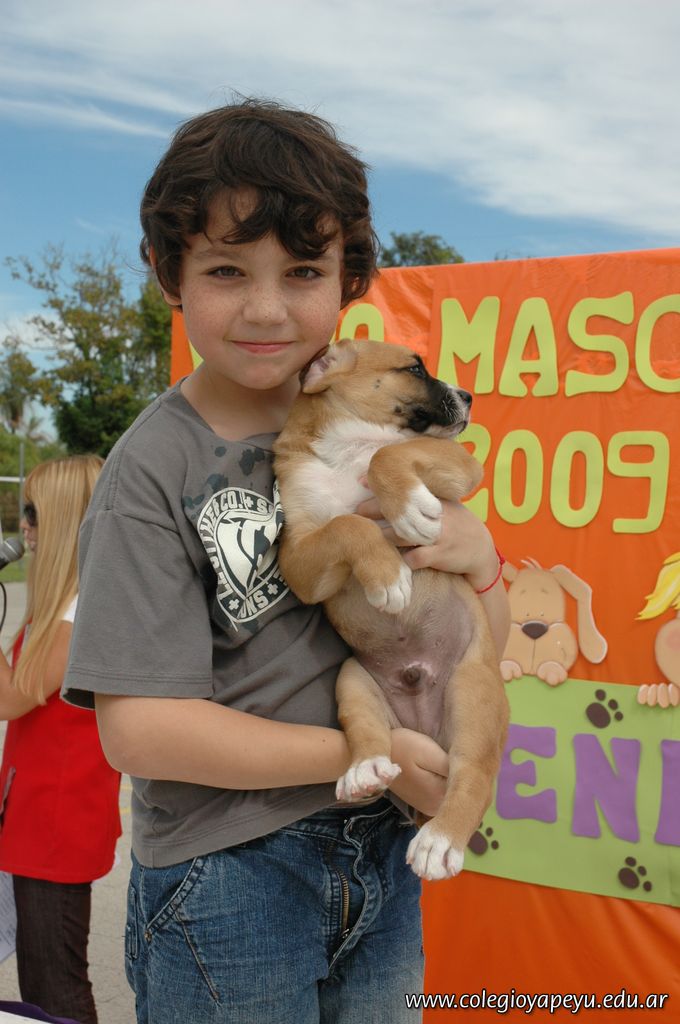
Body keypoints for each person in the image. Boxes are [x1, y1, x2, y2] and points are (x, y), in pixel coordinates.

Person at [62, 99, 510, 1024]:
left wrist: (484, 563)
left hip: (381, 853)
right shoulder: (153, 470)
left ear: (349, 279)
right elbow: (138, 732)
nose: (266, 308)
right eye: (227, 270)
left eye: (303, 271)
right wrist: (373, 754)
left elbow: (475, 644)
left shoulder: (379, 435)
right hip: (229, 876)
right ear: (169, 274)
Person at [0, 455, 122, 1024]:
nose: (24, 526)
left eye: (34, 512)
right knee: (42, 980)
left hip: (57, 824)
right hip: (35, 817)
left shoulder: (80, 614)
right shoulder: (65, 608)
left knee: (56, 988)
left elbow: (9, 699)